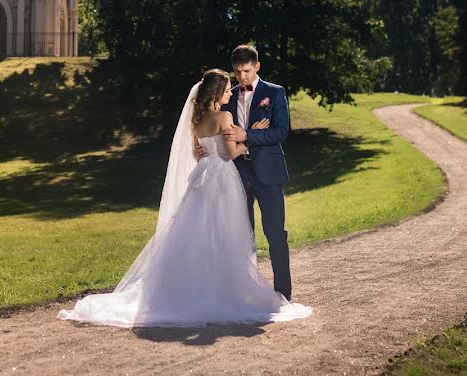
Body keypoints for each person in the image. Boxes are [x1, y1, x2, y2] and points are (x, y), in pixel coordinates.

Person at [57, 69, 311, 327]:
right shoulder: (225, 116)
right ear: (216, 93)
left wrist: (213, 149)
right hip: (222, 178)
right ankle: (223, 290)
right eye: (225, 89)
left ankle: (197, 287)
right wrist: (253, 136)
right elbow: (231, 154)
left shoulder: (196, 121)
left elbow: (198, 152)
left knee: (198, 232)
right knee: (224, 234)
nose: (229, 93)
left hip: (202, 178)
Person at [220, 44, 294, 301]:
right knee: (242, 236)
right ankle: (246, 295)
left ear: (257, 67)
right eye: (238, 72)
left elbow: (281, 131)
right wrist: (250, 134)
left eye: (248, 71)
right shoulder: (227, 97)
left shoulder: (274, 93)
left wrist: (248, 135)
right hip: (237, 173)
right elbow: (222, 135)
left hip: (269, 173)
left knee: (275, 234)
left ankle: (283, 294)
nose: (243, 77)